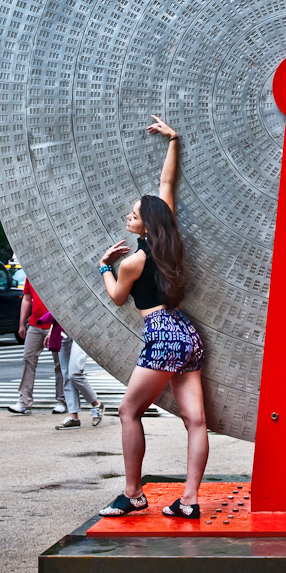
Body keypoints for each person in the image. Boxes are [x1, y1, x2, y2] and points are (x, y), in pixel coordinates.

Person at [96, 116, 206, 520]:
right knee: (195, 421)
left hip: (161, 332)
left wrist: (105, 266)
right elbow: (166, 187)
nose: (129, 217)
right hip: (186, 331)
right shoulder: (171, 242)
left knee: (129, 411)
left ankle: (133, 493)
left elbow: (118, 298)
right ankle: (190, 501)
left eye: (133, 214)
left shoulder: (134, 261)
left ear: (145, 224)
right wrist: (173, 139)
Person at [7, 279, 66, 415]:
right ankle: (24, 401)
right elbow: (27, 299)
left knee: (60, 364)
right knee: (28, 359)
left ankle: (62, 401)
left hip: (56, 324)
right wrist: (22, 323)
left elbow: (60, 301)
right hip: (35, 323)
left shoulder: (55, 274)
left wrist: (52, 329)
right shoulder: (31, 275)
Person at [39, 310, 104, 430]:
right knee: (67, 374)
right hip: (63, 328)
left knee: (75, 373)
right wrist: (51, 331)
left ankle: (96, 403)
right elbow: (58, 306)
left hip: (83, 328)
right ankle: (73, 416)